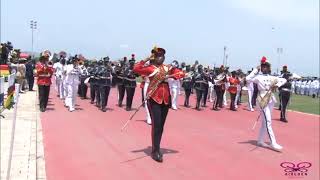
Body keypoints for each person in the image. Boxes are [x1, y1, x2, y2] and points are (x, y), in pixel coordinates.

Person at [133, 47, 184, 162]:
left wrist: (169, 76)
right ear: (154, 58)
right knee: (156, 125)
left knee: (161, 126)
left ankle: (157, 146)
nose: (160, 58)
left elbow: (181, 74)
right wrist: (146, 58)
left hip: (166, 99)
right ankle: (155, 150)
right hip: (154, 98)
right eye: (157, 56)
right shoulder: (150, 68)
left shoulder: (167, 68)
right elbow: (136, 68)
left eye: (162, 56)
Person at [246, 56, 286, 151]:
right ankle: (273, 143)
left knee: (265, 122)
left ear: (269, 68)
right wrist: (256, 70)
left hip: (271, 99)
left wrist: (277, 85)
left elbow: (284, 80)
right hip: (262, 99)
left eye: (266, 66)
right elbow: (248, 79)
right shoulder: (258, 77)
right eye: (263, 66)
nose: (264, 68)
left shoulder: (272, 77)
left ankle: (260, 140)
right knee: (268, 121)